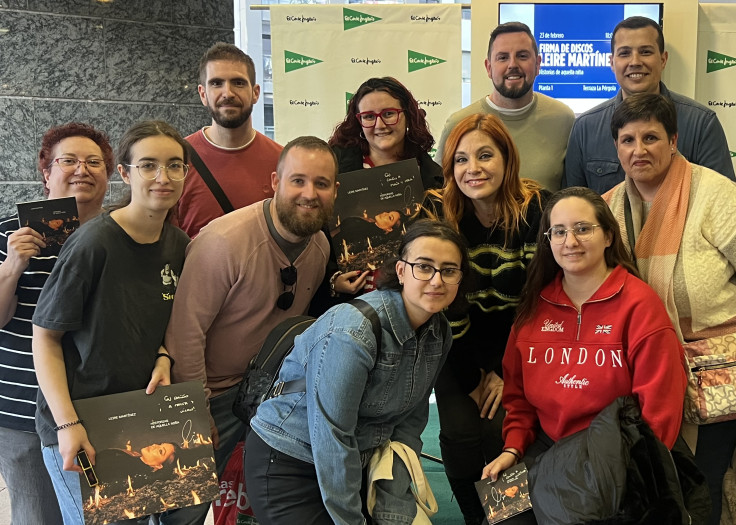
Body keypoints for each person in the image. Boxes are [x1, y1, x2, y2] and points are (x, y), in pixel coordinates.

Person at [602, 93, 736, 525]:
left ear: (673, 140)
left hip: (717, 372)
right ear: (615, 147)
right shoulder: (607, 209)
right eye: (627, 140)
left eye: (651, 137)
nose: (639, 150)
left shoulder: (721, 198)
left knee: (703, 481)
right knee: (651, 479)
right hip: (642, 369)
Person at [161, 136, 353, 525]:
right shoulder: (222, 242)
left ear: (336, 190)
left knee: (262, 504)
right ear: (274, 182)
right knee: (184, 510)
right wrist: (198, 411)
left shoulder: (318, 244)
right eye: (297, 180)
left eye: (321, 183)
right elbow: (185, 334)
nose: (309, 194)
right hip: (211, 394)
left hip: (271, 393)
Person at [480, 187, 687, 520]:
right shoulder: (535, 307)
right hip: (545, 446)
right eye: (558, 232)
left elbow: (659, 410)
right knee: (499, 510)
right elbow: (517, 399)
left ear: (607, 235)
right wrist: (513, 448)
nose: (570, 241)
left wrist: (628, 475)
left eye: (583, 229)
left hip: (614, 455)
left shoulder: (640, 306)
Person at [245, 220, 470, 525]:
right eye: (424, 266)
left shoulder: (439, 331)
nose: (436, 280)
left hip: (358, 459)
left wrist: (392, 506)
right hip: (291, 459)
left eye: (449, 270)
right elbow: (331, 437)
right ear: (401, 271)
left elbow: (409, 423)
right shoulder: (353, 331)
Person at [31, 120, 192, 525]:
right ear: (124, 173)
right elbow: (45, 338)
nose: (163, 177)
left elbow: (168, 321)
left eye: (175, 166)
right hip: (82, 421)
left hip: (140, 417)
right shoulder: (93, 244)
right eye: (148, 165)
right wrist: (68, 425)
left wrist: (163, 354)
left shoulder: (180, 245)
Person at [0, 122, 113, 525]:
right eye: (69, 160)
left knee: (112, 513)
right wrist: (13, 265)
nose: (82, 169)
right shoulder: (6, 233)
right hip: (22, 409)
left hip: (105, 406)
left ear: (109, 175)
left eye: (94, 161)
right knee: (37, 515)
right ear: (46, 173)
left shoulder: (121, 233)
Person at [426, 113, 548, 525]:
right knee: (460, 434)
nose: (472, 169)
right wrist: (473, 377)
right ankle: (476, 520)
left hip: (518, 347)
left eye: (484, 156)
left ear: (507, 159)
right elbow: (442, 304)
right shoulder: (437, 211)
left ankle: (504, 519)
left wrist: (501, 371)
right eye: (461, 159)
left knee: (500, 433)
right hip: (454, 344)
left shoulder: (539, 210)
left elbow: (540, 303)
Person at [563, 16, 736, 193]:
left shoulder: (701, 124)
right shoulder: (585, 128)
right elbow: (571, 204)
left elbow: (723, 201)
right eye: (624, 53)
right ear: (612, 63)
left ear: (663, 60)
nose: (635, 62)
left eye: (645, 52)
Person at [437, 22, 574, 190]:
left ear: (538, 64)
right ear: (488, 68)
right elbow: (441, 192)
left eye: (522, 56)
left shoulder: (563, 119)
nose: (512, 65)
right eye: (502, 57)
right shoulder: (459, 123)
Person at [176, 43, 282, 238]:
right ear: (202, 94)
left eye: (238, 83)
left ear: (256, 92)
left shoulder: (282, 160)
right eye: (216, 83)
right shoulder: (177, 160)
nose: (228, 93)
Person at [329, 76, 443, 190]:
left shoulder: (435, 177)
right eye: (369, 116)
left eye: (388, 114)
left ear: (408, 115)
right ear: (359, 122)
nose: (380, 125)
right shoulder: (334, 165)